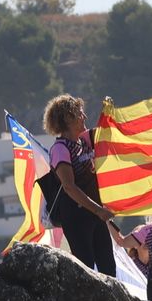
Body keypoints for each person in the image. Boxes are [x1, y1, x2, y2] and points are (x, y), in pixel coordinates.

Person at [42, 94, 118, 275]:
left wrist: (109, 112)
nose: (84, 117)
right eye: (80, 114)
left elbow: (108, 132)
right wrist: (99, 210)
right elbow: (69, 186)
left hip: (95, 214)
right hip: (77, 217)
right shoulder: (60, 149)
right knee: (86, 268)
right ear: (68, 118)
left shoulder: (84, 140)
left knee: (108, 268)